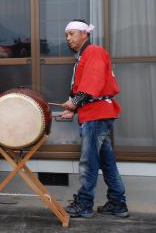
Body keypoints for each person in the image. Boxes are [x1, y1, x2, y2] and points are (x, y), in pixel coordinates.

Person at [60, 20, 129, 218]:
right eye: (66, 35)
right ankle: (118, 203)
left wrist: (74, 103)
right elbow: (87, 87)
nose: (68, 38)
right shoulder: (84, 55)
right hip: (95, 112)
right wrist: (73, 108)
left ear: (84, 34)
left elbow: (93, 83)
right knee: (106, 162)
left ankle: (84, 204)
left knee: (89, 161)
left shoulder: (94, 51)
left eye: (72, 34)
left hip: (97, 114)